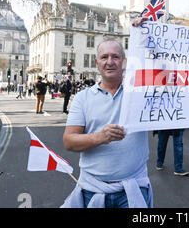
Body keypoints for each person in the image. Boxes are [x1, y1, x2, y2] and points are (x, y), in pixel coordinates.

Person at [61, 38, 152, 208]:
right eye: (104, 57)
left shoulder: (140, 93)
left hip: (132, 190)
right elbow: (69, 141)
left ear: (124, 62)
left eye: (115, 57)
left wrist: (146, 35)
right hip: (93, 190)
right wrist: (100, 137)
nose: (110, 62)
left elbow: (161, 66)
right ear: (97, 62)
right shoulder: (82, 98)